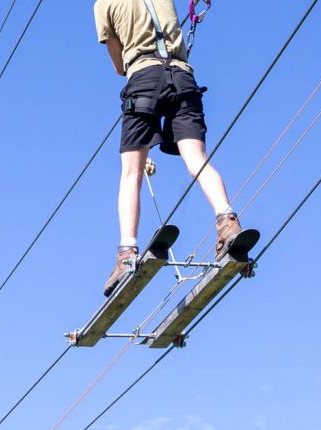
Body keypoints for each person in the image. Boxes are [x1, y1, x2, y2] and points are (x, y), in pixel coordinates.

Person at [94, 0, 246, 297]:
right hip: (182, 78)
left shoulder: (104, 4)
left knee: (131, 173)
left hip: (143, 80)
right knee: (197, 160)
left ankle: (126, 252)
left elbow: (119, 64)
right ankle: (227, 221)